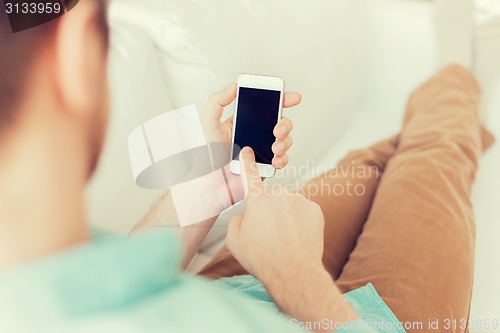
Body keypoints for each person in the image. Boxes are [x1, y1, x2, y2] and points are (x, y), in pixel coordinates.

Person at [0, 1, 495, 333]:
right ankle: (453, 92)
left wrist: (210, 189)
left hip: (240, 278)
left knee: (367, 164)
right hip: (341, 313)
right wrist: (296, 281)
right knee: (439, 142)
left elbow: (104, 286)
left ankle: (415, 136)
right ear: (79, 53)